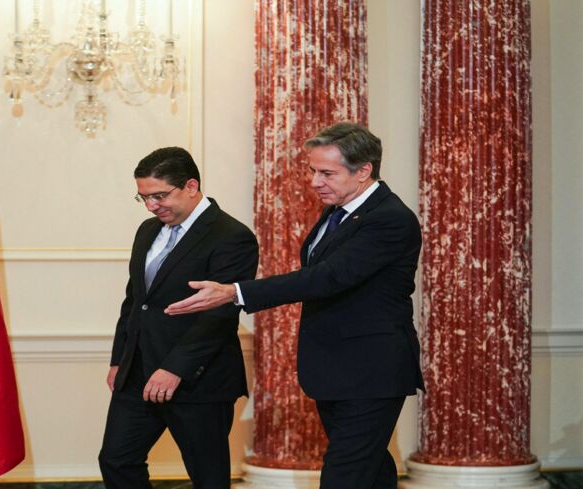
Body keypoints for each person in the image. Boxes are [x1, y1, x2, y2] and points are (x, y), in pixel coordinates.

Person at [165, 123, 424, 489]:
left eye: (327, 172)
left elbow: (328, 278)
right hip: (338, 369)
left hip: (372, 370)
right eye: (312, 170)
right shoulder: (340, 210)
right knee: (369, 468)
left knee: (345, 475)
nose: (315, 181)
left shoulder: (389, 219)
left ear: (364, 170)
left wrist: (235, 291)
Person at [99, 147, 259, 489]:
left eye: (159, 195)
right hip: (137, 373)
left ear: (190, 185)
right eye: (143, 198)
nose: (151, 206)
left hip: (198, 380)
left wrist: (175, 369)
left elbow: (220, 314)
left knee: (208, 477)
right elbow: (135, 302)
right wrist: (119, 359)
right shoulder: (146, 231)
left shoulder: (232, 235)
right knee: (116, 460)